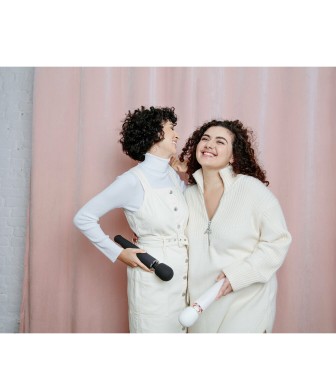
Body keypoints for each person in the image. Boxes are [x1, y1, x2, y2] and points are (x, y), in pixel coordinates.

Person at [73, 106, 189, 333]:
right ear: (154, 133)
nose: (177, 135)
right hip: (152, 274)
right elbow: (83, 218)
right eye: (171, 129)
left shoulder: (171, 175)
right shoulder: (132, 181)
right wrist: (118, 253)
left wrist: (187, 170)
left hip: (182, 277)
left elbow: (197, 205)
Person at [178, 119, 291, 333]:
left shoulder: (252, 190)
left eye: (220, 142)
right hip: (202, 304)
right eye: (205, 139)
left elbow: (278, 241)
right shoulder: (187, 196)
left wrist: (238, 276)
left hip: (247, 300)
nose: (209, 144)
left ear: (232, 156)